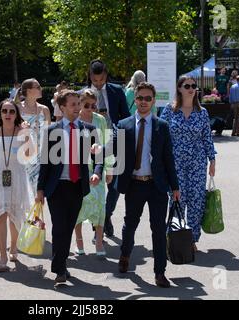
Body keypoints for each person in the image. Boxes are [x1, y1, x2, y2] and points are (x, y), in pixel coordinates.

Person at [111, 82, 180, 288]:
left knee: (158, 230)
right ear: (135, 100)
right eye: (140, 98)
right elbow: (115, 152)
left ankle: (160, 272)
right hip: (134, 184)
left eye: (147, 98)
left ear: (153, 100)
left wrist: (175, 187)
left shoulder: (162, 126)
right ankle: (125, 255)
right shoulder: (124, 125)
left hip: (157, 185)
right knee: (130, 224)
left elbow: (168, 158)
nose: (143, 102)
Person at [36, 89, 102, 284]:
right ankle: (60, 270)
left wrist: (97, 171)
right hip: (56, 187)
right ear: (62, 107)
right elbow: (45, 162)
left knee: (68, 226)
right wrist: (40, 189)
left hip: (77, 186)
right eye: (72, 104)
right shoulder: (51, 131)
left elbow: (97, 156)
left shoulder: (88, 129)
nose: (77, 107)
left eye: (78, 104)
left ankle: (61, 264)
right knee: (59, 228)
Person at [160, 76, 216, 251]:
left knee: (196, 200)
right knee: (177, 199)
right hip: (175, 162)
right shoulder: (170, 110)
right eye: (187, 86)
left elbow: (207, 138)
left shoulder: (202, 112)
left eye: (193, 86)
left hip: (197, 162)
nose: (191, 88)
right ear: (179, 88)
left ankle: (191, 239)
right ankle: (174, 237)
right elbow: (160, 133)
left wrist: (212, 159)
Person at [0, 99, 33, 271]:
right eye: (5, 111)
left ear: (16, 114)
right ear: (0, 113)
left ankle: (14, 246)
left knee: (14, 214)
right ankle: (2, 255)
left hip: (17, 177)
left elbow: (29, 154)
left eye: (12, 111)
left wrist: (27, 134)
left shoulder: (21, 131)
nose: (8, 114)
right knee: (0, 215)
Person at [86, 59, 130, 237]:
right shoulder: (83, 94)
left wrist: (116, 127)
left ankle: (106, 216)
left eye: (101, 80)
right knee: (94, 185)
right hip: (91, 143)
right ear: (90, 77)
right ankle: (98, 221)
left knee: (115, 184)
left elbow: (126, 116)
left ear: (106, 76)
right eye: (95, 80)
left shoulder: (117, 91)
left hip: (114, 139)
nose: (98, 84)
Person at [74, 89, 114, 257]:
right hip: (78, 169)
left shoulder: (100, 120)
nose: (91, 108)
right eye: (87, 105)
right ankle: (79, 242)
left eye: (93, 105)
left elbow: (108, 144)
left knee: (100, 206)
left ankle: (98, 241)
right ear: (80, 104)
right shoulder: (74, 120)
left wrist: (110, 168)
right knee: (78, 206)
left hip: (98, 168)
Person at [20, 78, 51, 193]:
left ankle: (37, 212)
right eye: (37, 87)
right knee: (24, 192)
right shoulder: (17, 108)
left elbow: (49, 135)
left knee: (38, 192)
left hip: (40, 155)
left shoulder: (45, 109)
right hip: (22, 154)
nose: (41, 89)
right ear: (28, 90)